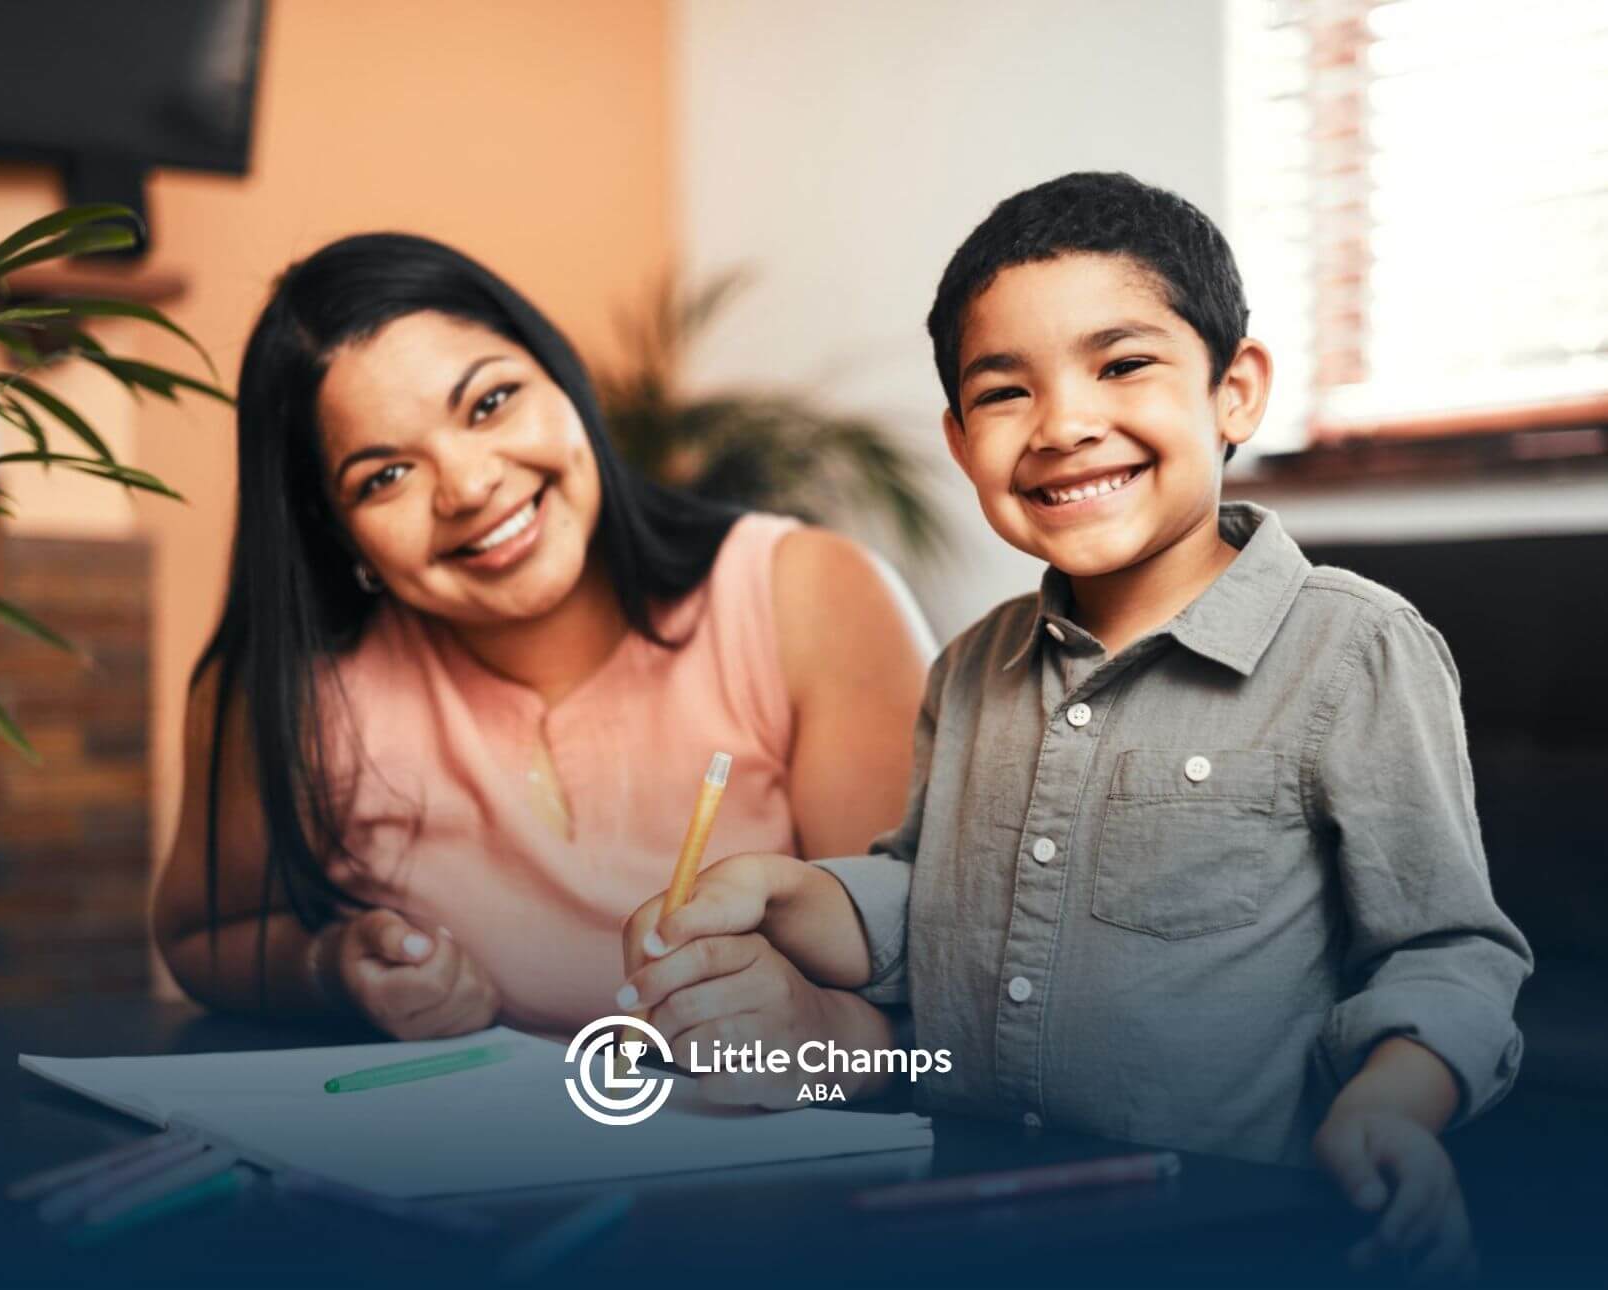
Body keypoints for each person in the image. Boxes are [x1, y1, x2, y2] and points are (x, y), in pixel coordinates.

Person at [618, 173, 1531, 1279]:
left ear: (1234, 391)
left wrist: (1391, 1104)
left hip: (1232, 1234)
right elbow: (928, 893)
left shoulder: (1353, 649)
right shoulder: (968, 668)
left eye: (1121, 364)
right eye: (1004, 393)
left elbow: (1444, 950)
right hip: (965, 1210)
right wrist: (785, 890)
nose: (1061, 425)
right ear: (961, 445)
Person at [151, 232, 932, 1044]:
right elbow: (202, 939)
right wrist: (333, 965)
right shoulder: (291, 687)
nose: (469, 486)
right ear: (339, 534)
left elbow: (929, 980)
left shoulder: (809, 594)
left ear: (563, 379)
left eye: (490, 403)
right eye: (384, 476)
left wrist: (821, 1033)